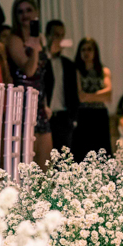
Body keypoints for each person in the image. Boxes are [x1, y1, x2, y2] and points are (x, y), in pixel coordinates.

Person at [7, 0, 51, 168]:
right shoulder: (14, 40)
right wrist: (33, 48)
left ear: (36, 12)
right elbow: (29, 70)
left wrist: (46, 103)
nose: (25, 15)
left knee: (46, 166)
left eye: (28, 10)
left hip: (39, 104)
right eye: (20, 12)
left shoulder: (40, 38)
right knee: (28, 167)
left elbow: (43, 75)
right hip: (22, 105)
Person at [72, 37, 112, 161]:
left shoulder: (104, 71)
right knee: (83, 152)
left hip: (100, 115)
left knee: (102, 151)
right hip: (84, 115)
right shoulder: (76, 71)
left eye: (89, 49)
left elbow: (108, 94)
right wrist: (98, 96)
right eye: (83, 49)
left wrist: (88, 96)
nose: (86, 53)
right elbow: (80, 97)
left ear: (95, 52)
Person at [43, 19, 80, 152]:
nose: (59, 39)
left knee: (63, 160)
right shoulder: (41, 61)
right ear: (47, 35)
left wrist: (73, 119)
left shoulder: (68, 65)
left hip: (64, 118)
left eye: (61, 35)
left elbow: (74, 92)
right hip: (44, 116)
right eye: (55, 34)